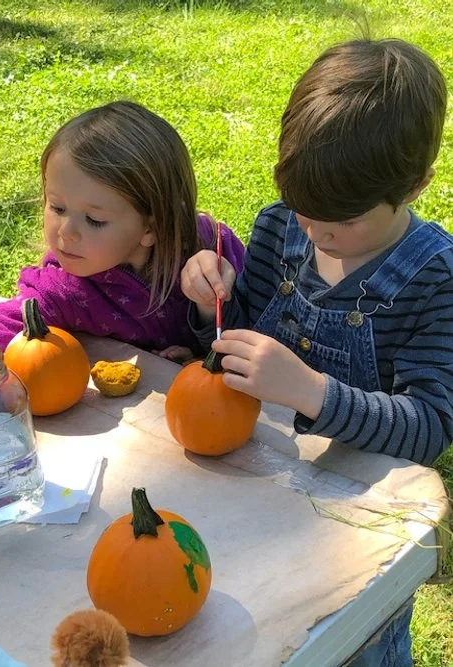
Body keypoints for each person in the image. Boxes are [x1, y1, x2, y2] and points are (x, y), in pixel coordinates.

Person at [181, 38, 452, 666]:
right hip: (262, 491)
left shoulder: (433, 279)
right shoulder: (281, 225)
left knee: (353, 645)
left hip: (361, 529)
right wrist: (209, 308)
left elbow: (431, 426)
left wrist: (311, 392)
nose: (316, 231)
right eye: (306, 210)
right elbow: (237, 340)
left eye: (342, 220)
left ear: (415, 185)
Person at [0, 101, 244, 362]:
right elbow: (3, 329)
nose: (67, 231)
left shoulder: (212, 247)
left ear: (151, 227)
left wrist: (205, 328)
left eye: (94, 219)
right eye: (58, 208)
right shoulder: (65, 287)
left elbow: (261, 331)